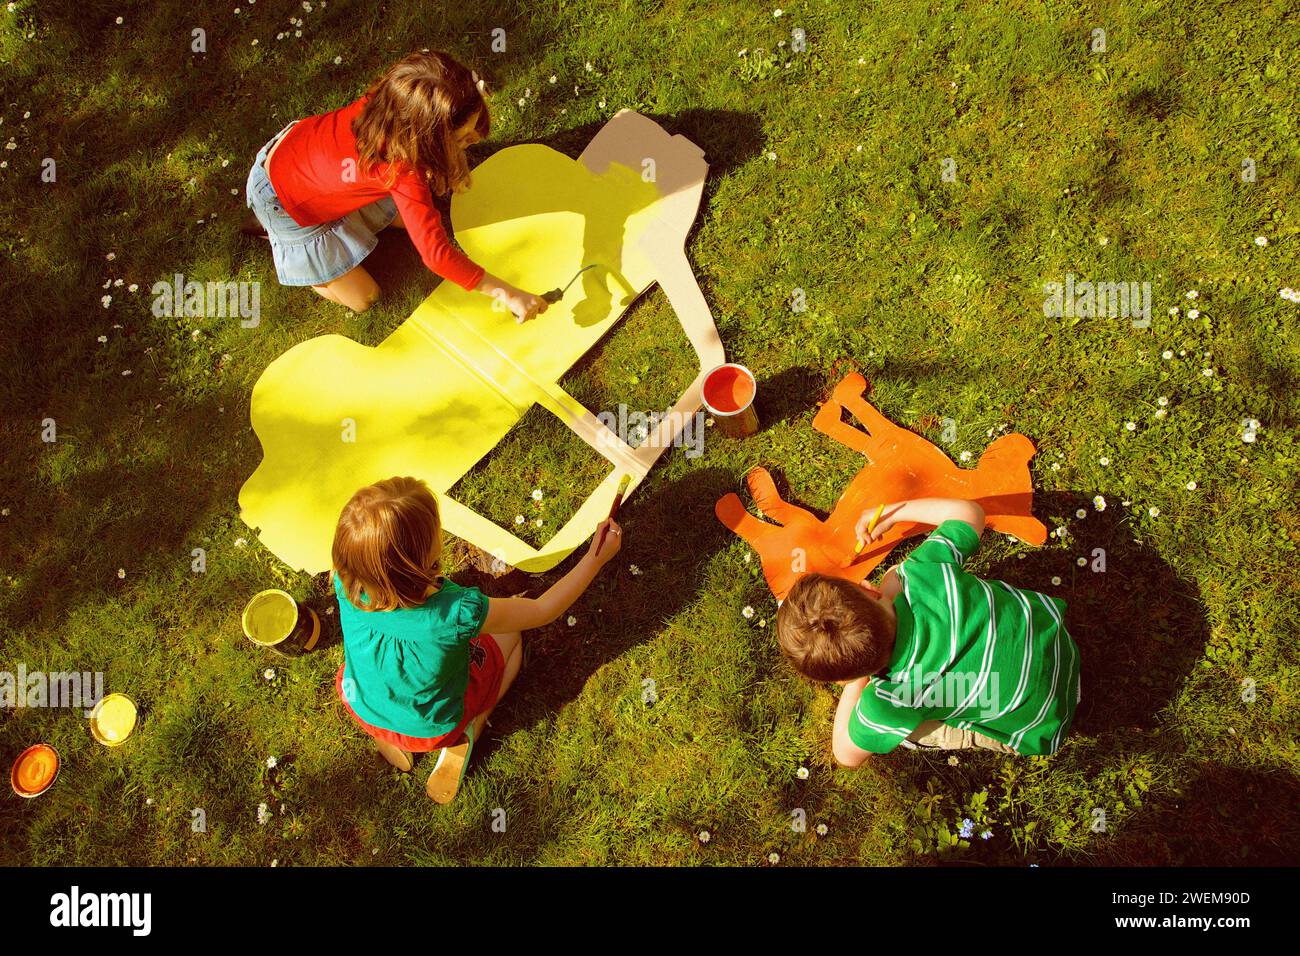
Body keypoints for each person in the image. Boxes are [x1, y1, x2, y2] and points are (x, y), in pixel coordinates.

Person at [331, 476, 621, 802]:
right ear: (422, 557)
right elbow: (542, 609)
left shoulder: (346, 583)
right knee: (510, 636)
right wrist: (596, 558)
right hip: (434, 730)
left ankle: (393, 740)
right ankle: (473, 726)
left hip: (363, 707)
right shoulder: (455, 612)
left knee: (387, 681)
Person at [245, 50, 548, 319]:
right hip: (282, 200)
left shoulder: (397, 99)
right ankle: (284, 244)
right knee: (365, 299)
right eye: (461, 139)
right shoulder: (402, 171)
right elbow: (437, 256)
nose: (470, 142)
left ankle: (346, 214)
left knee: (412, 218)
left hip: (305, 157)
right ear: (428, 140)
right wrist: (509, 294)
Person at [775, 497, 1080, 765]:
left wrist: (857, 682)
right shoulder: (924, 572)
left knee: (913, 730)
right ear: (870, 591)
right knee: (896, 574)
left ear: (841, 678)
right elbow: (969, 513)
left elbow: (845, 753)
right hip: (1055, 642)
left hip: (1041, 724)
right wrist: (895, 513)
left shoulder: (888, 700)